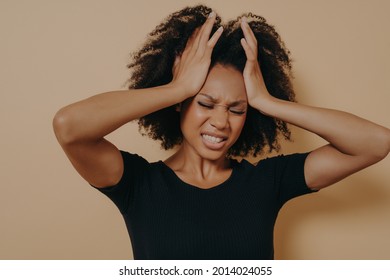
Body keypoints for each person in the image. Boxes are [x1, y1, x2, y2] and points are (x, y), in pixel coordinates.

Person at [52, 5, 390, 259]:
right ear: (181, 104)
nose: (220, 121)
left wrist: (267, 101)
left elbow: (375, 143)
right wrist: (177, 88)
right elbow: (70, 126)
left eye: (236, 109)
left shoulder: (266, 182)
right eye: (205, 103)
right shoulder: (138, 185)